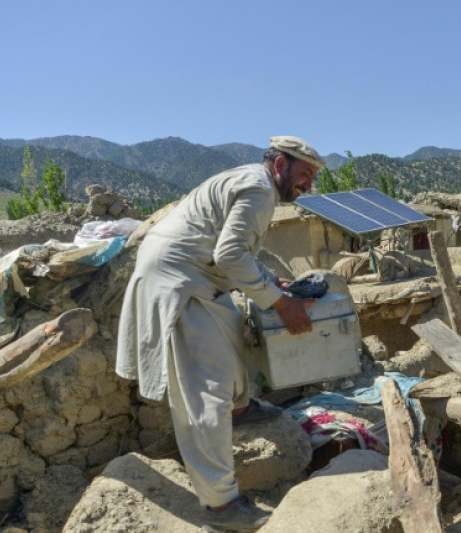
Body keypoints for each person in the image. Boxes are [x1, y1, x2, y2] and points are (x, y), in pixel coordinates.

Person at [116, 135, 324, 532]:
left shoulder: (255, 183)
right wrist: (282, 304)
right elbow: (230, 256)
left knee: (231, 330)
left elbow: (231, 250)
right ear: (279, 164)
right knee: (203, 391)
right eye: (303, 175)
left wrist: (266, 280)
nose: (307, 185)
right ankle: (221, 505)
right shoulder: (260, 189)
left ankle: (240, 408)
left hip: (199, 276)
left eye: (312, 178)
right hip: (180, 281)